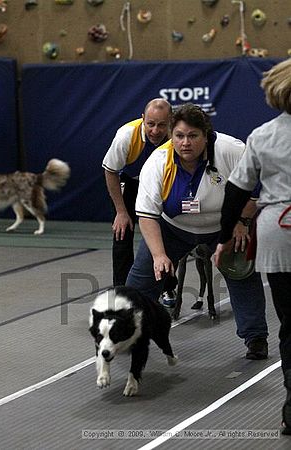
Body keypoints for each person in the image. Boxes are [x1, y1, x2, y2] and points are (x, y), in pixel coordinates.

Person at [126, 103, 268, 360]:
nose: (185, 143)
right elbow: (147, 215)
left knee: (243, 273)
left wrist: (242, 224)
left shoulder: (231, 150)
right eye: (179, 136)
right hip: (173, 227)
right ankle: (127, 331)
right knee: (141, 277)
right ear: (171, 136)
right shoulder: (157, 162)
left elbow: (256, 193)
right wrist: (159, 256)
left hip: (225, 226)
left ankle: (255, 337)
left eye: (193, 136)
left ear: (206, 135)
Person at [214, 58, 291, 434]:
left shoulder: (263, 136)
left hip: (279, 238)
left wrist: (224, 238)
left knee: (290, 325)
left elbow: (236, 192)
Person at [102, 98, 173, 292]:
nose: (156, 131)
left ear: (170, 122)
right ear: (143, 119)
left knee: (167, 234)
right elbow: (110, 171)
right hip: (130, 183)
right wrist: (121, 212)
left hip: (160, 185)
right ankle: (122, 291)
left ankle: (166, 287)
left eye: (161, 125)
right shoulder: (126, 135)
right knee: (122, 232)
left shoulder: (177, 137)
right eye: (150, 124)